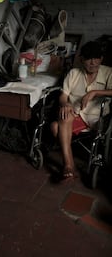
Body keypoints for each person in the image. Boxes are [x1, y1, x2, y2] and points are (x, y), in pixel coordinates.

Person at [51, 41, 112, 181]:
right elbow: (63, 96)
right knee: (60, 120)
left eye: (96, 59)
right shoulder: (74, 73)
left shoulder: (108, 72)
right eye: (89, 59)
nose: (93, 63)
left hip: (96, 118)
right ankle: (68, 165)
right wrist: (65, 104)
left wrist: (95, 92)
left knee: (55, 127)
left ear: (101, 59)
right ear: (81, 59)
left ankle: (69, 164)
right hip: (76, 114)